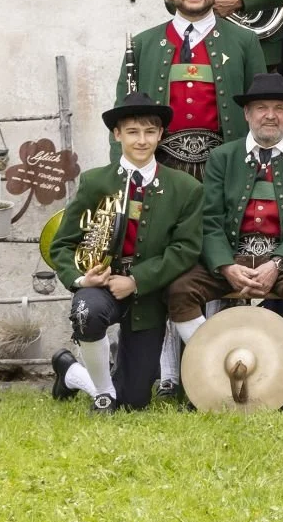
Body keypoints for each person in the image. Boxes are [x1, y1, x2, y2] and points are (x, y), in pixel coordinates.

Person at [164, 74, 283, 374]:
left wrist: (276, 264)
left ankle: (279, 371)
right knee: (180, 287)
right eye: (261, 107)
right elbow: (209, 220)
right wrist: (226, 266)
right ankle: (214, 365)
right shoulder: (223, 157)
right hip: (232, 255)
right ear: (246, 113)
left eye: (279, 108)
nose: (270, 115)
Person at [48, 94, 203, 413]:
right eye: (132, 131)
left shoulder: (185, 188)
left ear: (161, 134)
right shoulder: (95, 182)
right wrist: (82, 278)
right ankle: (103, 393)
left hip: (147, 292)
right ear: (117, 134)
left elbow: (185, 249)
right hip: (100, 288)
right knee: (85, 312)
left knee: (134, 400)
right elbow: (62, 244)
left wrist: (136, 281)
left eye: (149, 131)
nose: (142, 140)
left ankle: (72, 373)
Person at [118, 0, 268, 176]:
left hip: (227, 169)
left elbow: (261, 108)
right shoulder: (141, 45)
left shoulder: (244, 40)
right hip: (159, 170)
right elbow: (121, 114)